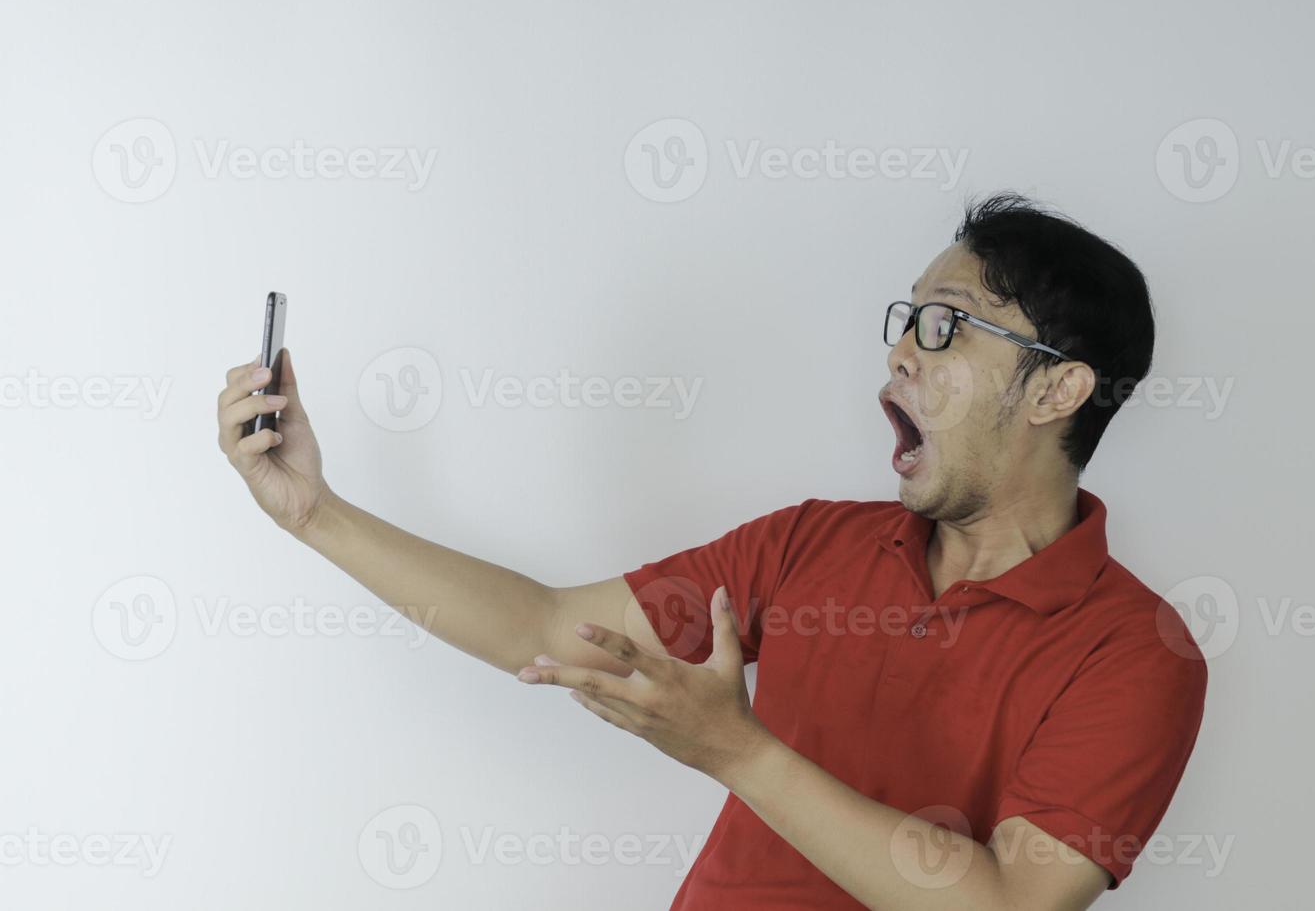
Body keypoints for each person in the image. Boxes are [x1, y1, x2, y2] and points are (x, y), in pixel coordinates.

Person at [215, 193, 1207, 909]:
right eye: (907, 318)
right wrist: (315, 512)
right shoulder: (820, 542)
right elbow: (554, 626)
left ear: (1056, 391)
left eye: (947, 325)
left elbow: (1008, 904)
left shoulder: (1134, 651)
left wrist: (737, 748)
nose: (902, 348)